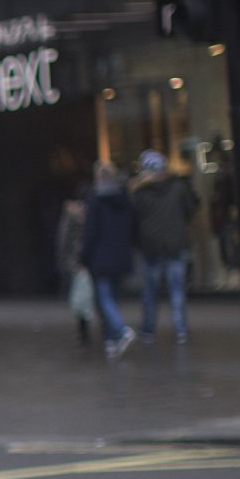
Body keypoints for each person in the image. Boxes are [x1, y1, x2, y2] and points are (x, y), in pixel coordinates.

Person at [131, 149, 197, 344]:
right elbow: (190, 209)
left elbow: (134, 218)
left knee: (150, 290)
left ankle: (148, 328)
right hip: (175, 243)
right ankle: (181, 328)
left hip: (151, 245)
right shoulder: (178, 187)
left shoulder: (141, 192)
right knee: (176, 288)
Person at [81, 161, 138, 360]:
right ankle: (111, 339)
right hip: (120, 255)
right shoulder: (124, 199)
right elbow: (132, 226)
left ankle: (120, 331)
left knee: (104, 298)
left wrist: (83, 256)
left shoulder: (95, 200)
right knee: (112, 297)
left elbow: (90, 232)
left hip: (100, 256)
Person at [55, 187, 93, 344]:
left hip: (77, 261)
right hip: (92, 260)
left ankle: (84, 333)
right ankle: (106, 331)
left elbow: (63, 238)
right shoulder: (95, 211)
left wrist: (63, 259)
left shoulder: (71, 214)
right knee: (95, 296)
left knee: (81, 298)